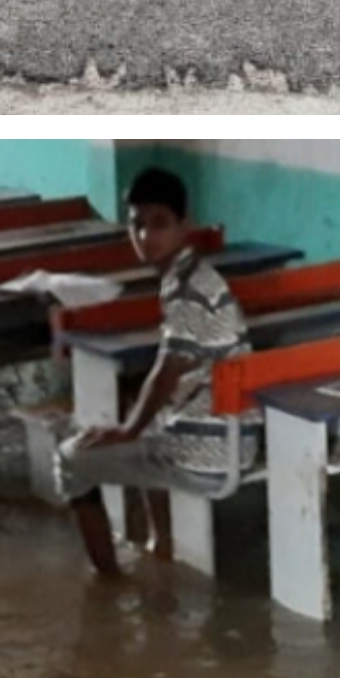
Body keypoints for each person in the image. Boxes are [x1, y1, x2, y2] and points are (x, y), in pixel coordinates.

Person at [49, 167, 253, 579]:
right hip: (232, 433)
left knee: (71, 459)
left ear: (184, 226)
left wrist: (126, 431)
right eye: (136, 225)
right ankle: (161, 542)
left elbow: (166, 373)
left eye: (159, 224)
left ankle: (108, 583)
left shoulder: (187, 288)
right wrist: (132, 423)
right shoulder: (196, 275)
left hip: (210, 453)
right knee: (137, 410)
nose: (145, 237)